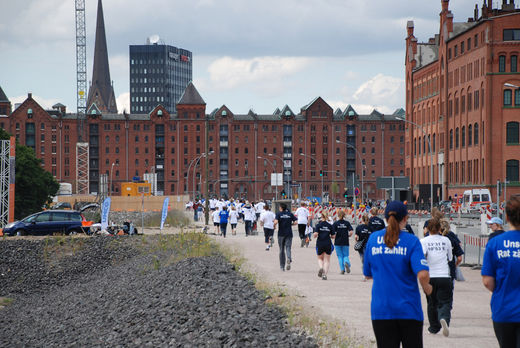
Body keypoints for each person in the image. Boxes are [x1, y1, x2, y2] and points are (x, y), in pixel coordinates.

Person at [363, 200, 432, 348]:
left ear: (386, 218)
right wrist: (428, 289)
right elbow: (422, 274)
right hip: (408, 309)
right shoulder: (412, 241)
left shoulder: (373, 239)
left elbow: (367, 273)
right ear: (405, 218)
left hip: (382, 309)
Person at [482, 196, 520, 348]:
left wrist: (501, 288)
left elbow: (487, 281)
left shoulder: (495, 243)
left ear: (507, 216)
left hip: (504, 309)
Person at [421, 217, 453, 337]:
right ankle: (443, 318)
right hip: (444, 275)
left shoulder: (423, 241)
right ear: (440, 228)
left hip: (430, 276)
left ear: (427, 229)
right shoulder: (446, 240)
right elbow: (450, 258)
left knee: (431, 302)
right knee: (445, 301)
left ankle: (433, 327)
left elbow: (422, 257)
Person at [274, 203, 297, 271]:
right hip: (289, 233)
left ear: (281, 208)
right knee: (288, 247)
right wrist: (291, 224)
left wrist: (274, 226)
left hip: (281, 234)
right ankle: (289, 258)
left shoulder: (279, 214)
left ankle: (282, 266)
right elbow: (296, 222)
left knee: (281, 249)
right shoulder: (290, 214)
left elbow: (275, 222)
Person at [313, 211, 336, 280]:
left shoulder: (318, 225)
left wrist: (316, 234)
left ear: (321, 217)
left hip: (320, 243)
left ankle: (321, 268)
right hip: (328, 243)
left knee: (320, 258)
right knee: (327, 260)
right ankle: (324, 275)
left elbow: (315, 235)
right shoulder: (330, 226)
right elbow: (333, 236)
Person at [333, 209, 354, 274]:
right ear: (344, 215)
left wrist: (333, 236)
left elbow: (333, 233)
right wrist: (349, 235)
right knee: (345, 255)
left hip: (338, 241)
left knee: (339, 256)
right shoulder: (347, 223)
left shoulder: (336, 223)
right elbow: (351, 232)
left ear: (338, 215)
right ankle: (346, 262)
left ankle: (342, 269)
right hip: (345, 241)